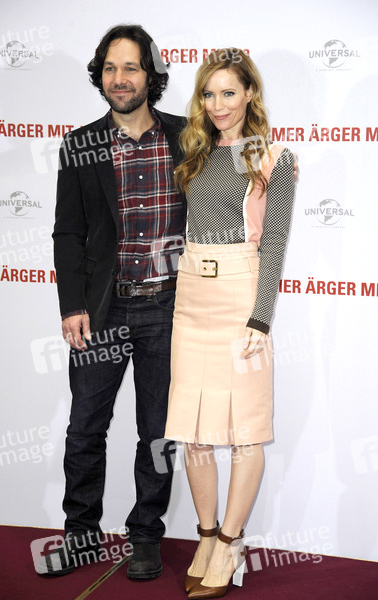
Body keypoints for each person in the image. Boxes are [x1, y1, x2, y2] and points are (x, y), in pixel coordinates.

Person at [36, 24, 186, 579]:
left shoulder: (186, 136)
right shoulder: (80, 144)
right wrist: (71, 305)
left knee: (159, 434)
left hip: (168, 310)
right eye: (109, 68)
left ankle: (145, 535)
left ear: (151, 75)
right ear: (99, 76)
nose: (119, 79)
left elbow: (225, 200)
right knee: (85, 428)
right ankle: (81, 534)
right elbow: (67, 233)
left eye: (130, 68)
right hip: (102, 311)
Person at [164, 48, 295, 599]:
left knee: (244, 430)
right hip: (191, 297)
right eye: (209, 94)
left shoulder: (270, 157)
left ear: (249, 94)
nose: (218, 105)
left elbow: (274, 244)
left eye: (229, 93)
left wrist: (260, 318)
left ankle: (231, 542)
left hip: (241, 296)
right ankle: (205, 535)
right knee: (193, 429)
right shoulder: (194, 153)